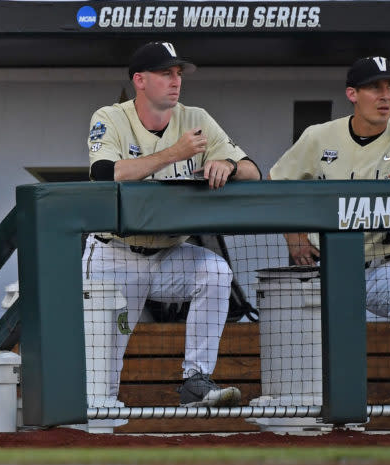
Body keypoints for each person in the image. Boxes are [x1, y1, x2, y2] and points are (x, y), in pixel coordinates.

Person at [269, 56, 390, 430]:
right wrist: (294, 239)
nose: (385, 95)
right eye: (376, 87)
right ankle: (310, 420)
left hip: (381, 264)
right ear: (352, 94)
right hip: (323, 268)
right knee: (302, 352)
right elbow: (278, 183)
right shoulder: (319, 136)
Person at [82, 41, 261, 407]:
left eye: (178, 73)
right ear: (140, 80)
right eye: (166, 73)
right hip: (114, 255)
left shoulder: (196, 117)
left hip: (168, 255)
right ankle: (93, 423)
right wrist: (174, 154)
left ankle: (195, 380)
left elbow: (254, 172)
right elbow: (105, 174)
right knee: (101, 369)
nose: (175, 80)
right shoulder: (110, 116)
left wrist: (227, 165)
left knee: (215, 272)